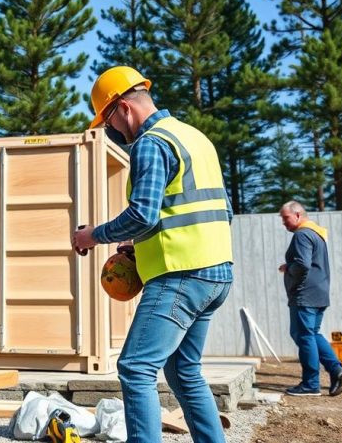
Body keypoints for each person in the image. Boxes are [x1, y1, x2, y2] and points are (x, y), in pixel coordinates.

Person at [71, 66, 234, 443]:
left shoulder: (151, 142)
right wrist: (140, 243)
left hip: (181, 274)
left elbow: (143, 214)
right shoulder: (194, 137)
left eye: (108, 119)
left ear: (124, 108)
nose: (112, 129)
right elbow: (217, 210)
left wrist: (93, 236)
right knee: (183, 370)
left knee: (135, 367)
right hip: (216, 272)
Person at [277, 201, 342, 397]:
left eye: (286, 218)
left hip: (305, 294)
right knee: (312, 334)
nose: (283, 223)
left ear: (298, 215)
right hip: (319, 292)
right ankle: (337, 371)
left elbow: (302, 264)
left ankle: (311, 384)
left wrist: (290, 271)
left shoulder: (302, 234)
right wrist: (290, 266)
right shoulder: (316, 233)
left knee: (303, 335)